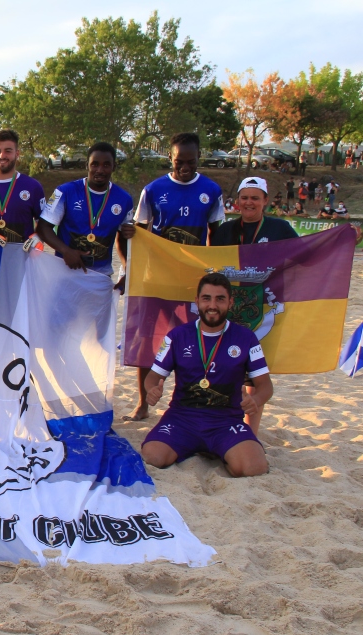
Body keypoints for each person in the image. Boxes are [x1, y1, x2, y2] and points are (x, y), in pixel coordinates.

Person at [128, 132, 225, 421]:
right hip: (156, 280)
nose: (185, 167)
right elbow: (140, 233)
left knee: (194, 343)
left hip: (192, 282)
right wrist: (129, 269)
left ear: (199, 158)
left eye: (191, 161)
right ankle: (143, 404)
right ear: (169, 157)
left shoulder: (211, 190)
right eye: (179, 161)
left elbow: (217, 236)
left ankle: (189, 402)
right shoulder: (153, 189)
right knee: (148, 341)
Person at [140, 272, 273, 477]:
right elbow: (152, 377)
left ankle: (222, 449)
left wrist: (255, 400)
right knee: (153, 457)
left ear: (230, 302)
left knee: (254, 468)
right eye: (206, 298)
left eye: (220, 299)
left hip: (226, 422)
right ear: (197, 301)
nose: (212, 305)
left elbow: (265, 385)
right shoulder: (177, 336)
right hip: (182, 419)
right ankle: (198, 447)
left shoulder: (246, 338)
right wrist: (151, 390)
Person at [211, 178, 298, 433]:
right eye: (245, 197)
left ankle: (250, 433)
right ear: (237, 201)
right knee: (226, 370)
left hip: (264, 309)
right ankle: (223, 427)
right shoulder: (225, 231)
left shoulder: (280, 228)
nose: (249, 202)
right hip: (229, 309)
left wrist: (342, 239)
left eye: (255, 198)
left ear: (265, 201)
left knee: (255, 375)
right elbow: (209, 264)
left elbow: (306, 253)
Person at [37, 142, 134, 279]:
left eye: (106, 165)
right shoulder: (64, 192)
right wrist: (66, 251)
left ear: (114, 167)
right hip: (64, 274)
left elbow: (123, 239)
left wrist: (126, 269)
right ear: (87, 165)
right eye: (95, 164)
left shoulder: (124, 199)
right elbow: (42, 228)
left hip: (100, 277)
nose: (100, 170)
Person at [0, 129, 45, 244]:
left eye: (8, 151)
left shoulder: (33, 186)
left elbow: (45, 226)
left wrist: (38, 237)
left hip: (23, 254)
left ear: (17, 153)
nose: (2, 155)